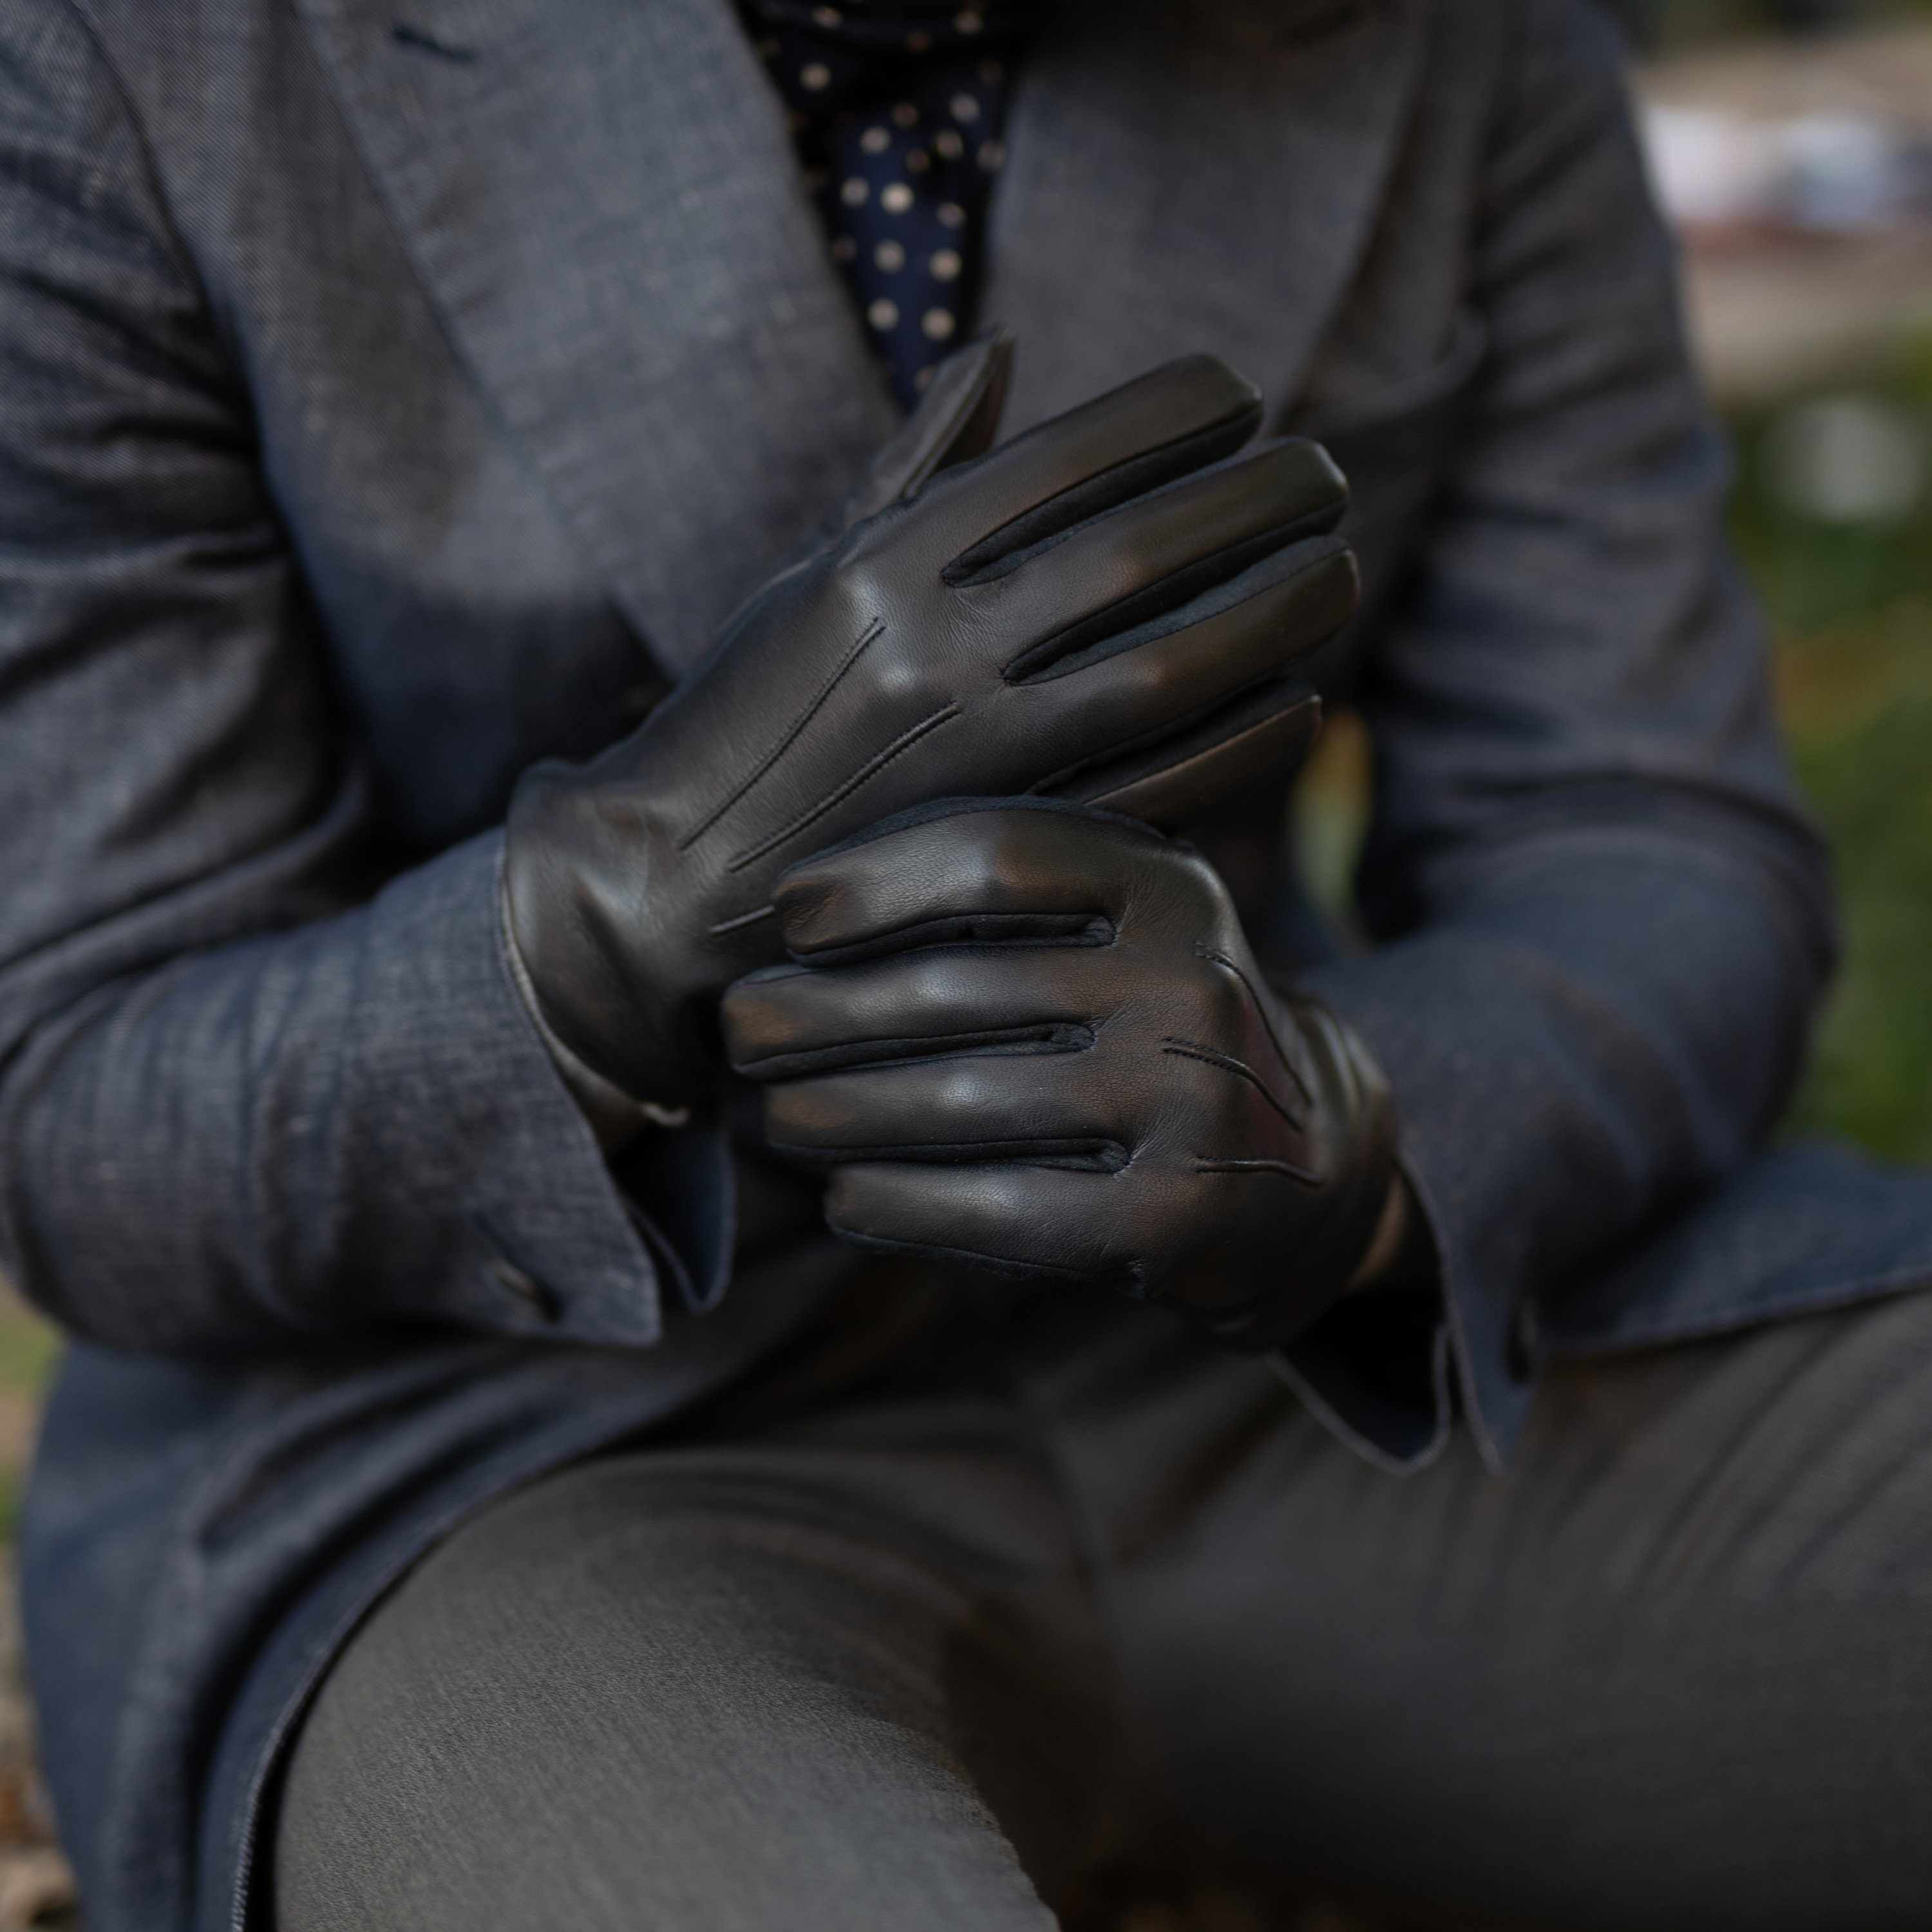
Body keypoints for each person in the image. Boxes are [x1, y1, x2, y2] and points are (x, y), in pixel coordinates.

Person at [5, 2, 1932, 1927]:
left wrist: (1355, 1137)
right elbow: (80, 1095)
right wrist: (612, 911)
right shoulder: (132, 60)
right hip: (513, 1466)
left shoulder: (1460, 39)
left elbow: (1649, 843)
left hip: (1301, 1372)